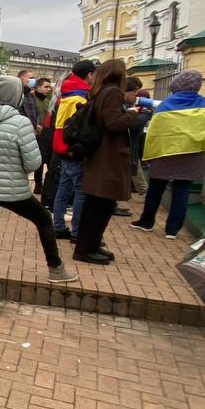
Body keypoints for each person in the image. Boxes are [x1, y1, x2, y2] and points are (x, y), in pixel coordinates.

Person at [0, 76, 77, 299]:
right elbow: (33, 163)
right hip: (11, 188)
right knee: (44, 219)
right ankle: (56, 268)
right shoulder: (21, 123)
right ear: (16, 96)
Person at [130, 69, 205, 240]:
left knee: (155, 188)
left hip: (164, 153)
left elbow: (154, 131)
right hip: (191, 153)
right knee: (182, 190)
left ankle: (146, 222)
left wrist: (150, 152)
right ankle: (172, 230)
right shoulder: (204, 104)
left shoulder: (165, 104)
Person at [72, 59, 141, 264]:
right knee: (100, 206)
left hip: (101, 155)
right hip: (107, 156)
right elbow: (113, 123)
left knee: (96, 205)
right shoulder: (111, 93)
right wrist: (132, 114)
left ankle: (89, 245)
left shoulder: (99, 92)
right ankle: (86, 248)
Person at [50, 60, 96, 241]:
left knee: (63, 187)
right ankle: (77, 231)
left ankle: (58, 226)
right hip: (73, 146)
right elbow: (80, 125)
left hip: (61, 143)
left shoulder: (66, 92)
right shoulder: (81, 96)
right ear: (89, 74)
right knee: (79, 190)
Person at [30, 76, 53, 194]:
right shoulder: (31, 99)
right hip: (33, 134)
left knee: (45, 159)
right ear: (38, 87)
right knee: (38, 161)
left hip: (45, 133)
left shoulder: (47, 101)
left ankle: (42, 185)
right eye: (46, 87)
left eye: (49, 87)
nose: (48, 89)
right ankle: (38, 184)